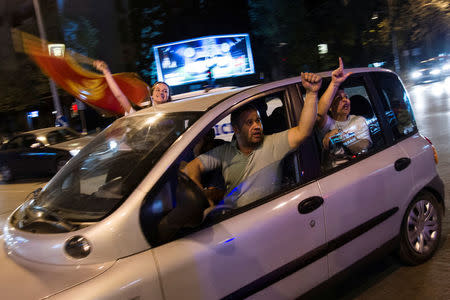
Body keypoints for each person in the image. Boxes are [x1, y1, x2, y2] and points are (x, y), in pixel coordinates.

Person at [182, 72, 322, 208]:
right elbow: (192, 167)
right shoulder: (224, 152)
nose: (256, 126)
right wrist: (200, 198)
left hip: (263, 219)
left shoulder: (273, 143)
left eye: (258, 121)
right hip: (231, 219)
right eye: (249, 123)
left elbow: (303, 131)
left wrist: (311, 94)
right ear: (236, 129)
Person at [317, 58, 372, 161]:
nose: (345, 100)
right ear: (329, 106)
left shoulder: (358, 120)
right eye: (339, 98)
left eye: (346, 97)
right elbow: (320, 113)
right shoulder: (327, 123)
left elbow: (364, 147)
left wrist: (340, 134)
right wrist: (334, 83)